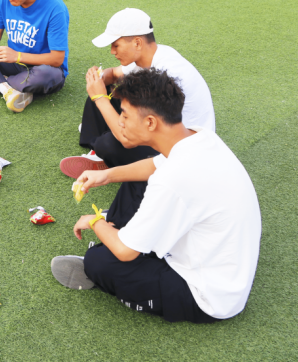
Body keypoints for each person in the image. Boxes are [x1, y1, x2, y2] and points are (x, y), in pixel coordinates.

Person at [50, 68, 260, 324]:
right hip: (226, 262)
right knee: (137, 179)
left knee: (98, 262)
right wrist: (106, 175)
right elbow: (154, 165)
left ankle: (113, 242)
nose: (120, 122)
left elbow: (125, 252)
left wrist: (94, 221)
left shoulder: (173, 179)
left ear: (150, 122)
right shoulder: (199, 136)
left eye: (125, 115)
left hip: (208, 295)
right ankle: (126, 231)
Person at [59, 8, 214, 179]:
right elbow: (114, 74)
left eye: (116, 45)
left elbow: (127, 139)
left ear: (137, 43)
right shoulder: (154, 54)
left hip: (180, 150)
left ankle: (102, 149)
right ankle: (97, 149)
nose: (112, 51)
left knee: (108, 143)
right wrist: (99, 78)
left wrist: (100, 98)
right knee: (106, 89)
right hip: (164, 126)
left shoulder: (164, 74)